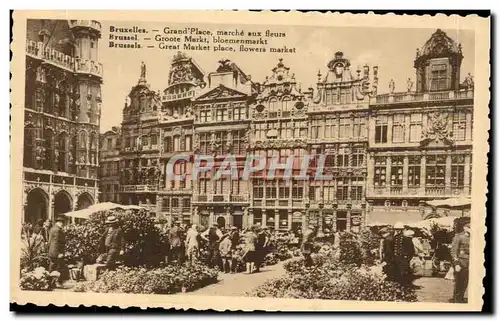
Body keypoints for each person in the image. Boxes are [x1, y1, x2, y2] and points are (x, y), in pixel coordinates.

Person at [450, 222, 470, 303]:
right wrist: (456, 264)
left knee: (465, 282)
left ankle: (460, 298)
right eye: (469, 227)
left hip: (470, 263)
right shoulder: (459, 237)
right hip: (461, 263)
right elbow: (453, 251)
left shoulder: (474, 238)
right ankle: (456, 300)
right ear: (465, 228)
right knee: (459, 282)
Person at [392, 222, 416, 286]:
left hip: (403, 259)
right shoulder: (394, 238)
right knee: (397, 273)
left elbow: (411, 250)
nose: (398, 231)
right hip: (396, 258)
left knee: (403, 273)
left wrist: (407, 258)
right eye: (396, 229)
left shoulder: (406, 238)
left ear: (402, 230)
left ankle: (404, 286)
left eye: (399, 229)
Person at [48, 215, 67, 287]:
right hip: (56, 252)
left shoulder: (52, 229)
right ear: (59, 222)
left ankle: (51, 283)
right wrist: (59, 253)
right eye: (62, 222)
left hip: (52, 251)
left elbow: (50, 241)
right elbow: (56, 242)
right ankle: (57, 283)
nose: (63, 224)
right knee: (58, 267)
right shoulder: (57, 230)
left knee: (52, 266)